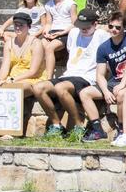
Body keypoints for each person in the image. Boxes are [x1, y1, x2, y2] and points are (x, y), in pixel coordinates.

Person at [33, 9, 111, 141]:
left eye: (87, 26)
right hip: (69, 74)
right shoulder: (74, 33)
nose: (83, 29)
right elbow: (71, 50)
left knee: (60, 88)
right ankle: (57, 125)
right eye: (81, 25)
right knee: (38, 88)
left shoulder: (101, 35)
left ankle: (78, 125)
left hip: (87, 76)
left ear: (95, 24)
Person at [94, 11, 126, 143]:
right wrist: (105, 91)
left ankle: (121, 129)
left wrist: (122, 85)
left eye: (117, 27)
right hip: (113, 81)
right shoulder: (103, 47)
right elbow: (99, 74)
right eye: (111, 27)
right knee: (85, 93)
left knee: (120, 94)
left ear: (124, 28)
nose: (113, 30)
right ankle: (96, 129)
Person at [40, 0, 78, 79]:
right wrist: (46, 32)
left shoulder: (70, 3)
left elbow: (74, 23)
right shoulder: (48, 4)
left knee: (49, 48)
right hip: (53, 31)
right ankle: (41, 72)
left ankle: (48, 77)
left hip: (66, 31)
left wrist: (61, 33)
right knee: (40, 45)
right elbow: (48, 23)